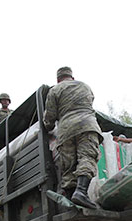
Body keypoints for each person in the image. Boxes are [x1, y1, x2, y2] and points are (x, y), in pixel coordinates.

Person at [43, 67, 103, 209]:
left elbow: (49, 119)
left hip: (65, 130)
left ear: (58, 79)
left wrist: (48, 127)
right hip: (86, 125)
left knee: (69, 165)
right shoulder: (85, 86)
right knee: (87, 157)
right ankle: (81, 192)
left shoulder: (55, 90)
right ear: (72, 77)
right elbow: (90, 103)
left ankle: (71, 198)